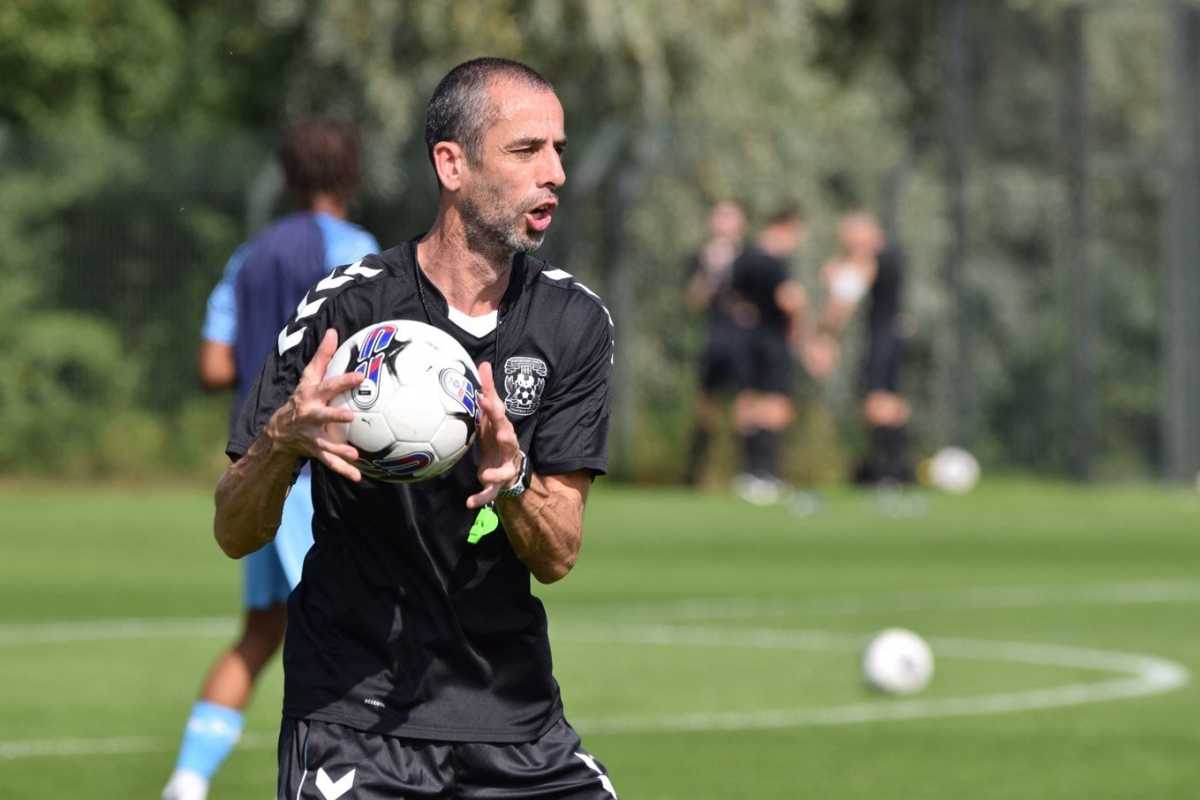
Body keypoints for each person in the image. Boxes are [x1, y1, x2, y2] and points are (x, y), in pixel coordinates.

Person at [212, 58, 618, 798]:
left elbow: (558, 554)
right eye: (527, 150)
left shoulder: (574, 323)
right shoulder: (344, 312)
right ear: (451, 165)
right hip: (353, 722)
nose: (555, 172)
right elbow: (234, 529)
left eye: (560, 149)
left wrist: (513, 481)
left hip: (515, 718)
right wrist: (281, 443)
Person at [163, 118, 379, 800]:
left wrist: (269, 382)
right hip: (331, 472)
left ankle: (187, 782)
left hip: (262, 468)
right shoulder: (361, 251)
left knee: (260, 633)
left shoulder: (249, 257)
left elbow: (213, 360)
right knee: (368, 634)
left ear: (285, 178)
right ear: (353, 176)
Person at [817, 212, 914, 485]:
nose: (846, 242)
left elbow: (846, 297)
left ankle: (886, 471)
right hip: (890, 335)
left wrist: (826, 334)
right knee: (891, 401)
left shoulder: (869, 259)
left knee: (877, 401)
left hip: (882, 337)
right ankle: (898, 470)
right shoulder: (890, 255)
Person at [729, 206, 809, 504]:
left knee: (748, 402)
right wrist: (800, 331)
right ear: (786, 227)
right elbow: (790, 300)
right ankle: (768, 474)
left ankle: (750, 474)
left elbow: (736, 301)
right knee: (777, 404)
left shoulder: (743, 258)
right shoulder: (774, 264)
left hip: (747, 338)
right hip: (773, 339)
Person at [682, 200, 748, 486]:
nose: (721, 222)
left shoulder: (751, 257)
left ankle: (749, 473)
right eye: (718, 216)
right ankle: (695, 476)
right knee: (705, 407)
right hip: (716, 338)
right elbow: (694, 301)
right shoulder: (703, 256)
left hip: (745, 342)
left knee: (745, 407)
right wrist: (711, 271)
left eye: (728, 216)